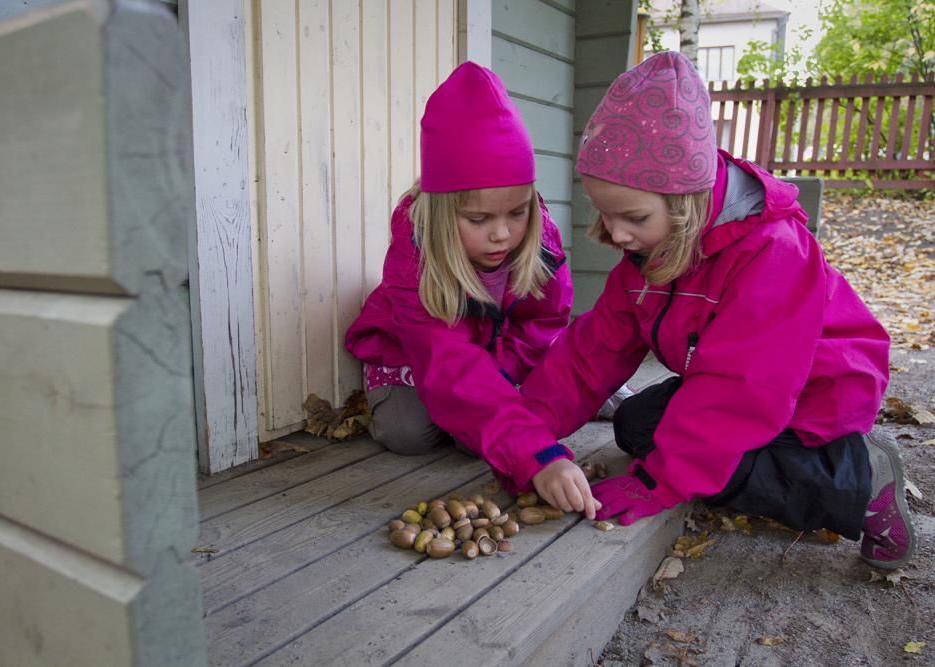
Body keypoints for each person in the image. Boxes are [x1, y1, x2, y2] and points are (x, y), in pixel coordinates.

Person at [514, 51, 914, 569]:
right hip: (738, 378)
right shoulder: (649, 253)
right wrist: (528, 433)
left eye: (632, 216)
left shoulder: (773, 251)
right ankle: (750, 465)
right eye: (605, 215)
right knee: (637, 425)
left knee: (715, 463)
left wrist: (658, 484)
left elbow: (740, 388)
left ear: (686, 202)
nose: (615, 234)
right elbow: (595, 350)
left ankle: (861, 479)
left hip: (815, 393)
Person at [345, 62, 631, 509]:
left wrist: (501, 377)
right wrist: (537, 455)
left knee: (473, 437)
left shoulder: (540, 244)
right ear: (441, 212)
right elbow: (448, 362)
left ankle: (558, 392)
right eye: (478, 220)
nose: (502, 234)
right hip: (416, 351)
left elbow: (544, 324)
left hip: (499, 351)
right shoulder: (414, 257)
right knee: (409, 434)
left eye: (517, 213)